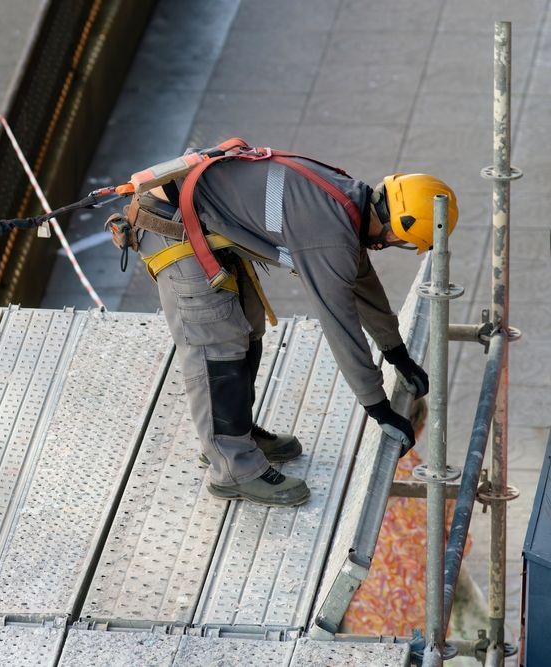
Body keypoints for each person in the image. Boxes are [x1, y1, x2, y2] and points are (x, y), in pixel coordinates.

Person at [118, 140, 456, 507]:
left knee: (248, 328)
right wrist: (379, 408)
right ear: (396, 228)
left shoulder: (347, 199)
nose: (389, 244)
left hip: (197, 217)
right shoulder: (329, 235)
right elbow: (341, 326)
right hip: (170, 226)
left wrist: (397, 353)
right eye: (398, 241)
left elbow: (361, 282)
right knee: (217, 345)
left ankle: (238, 437)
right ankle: (232, 468)